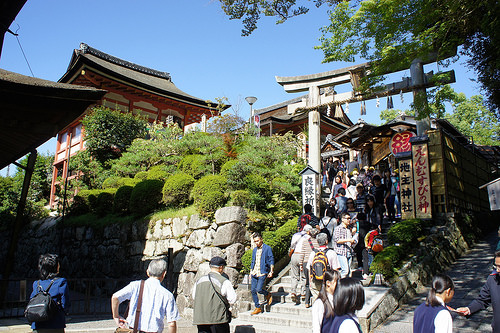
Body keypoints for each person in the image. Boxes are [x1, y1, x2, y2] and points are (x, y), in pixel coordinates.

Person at [111, 259, 179, 333]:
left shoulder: (135, 285)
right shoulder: (167, 295)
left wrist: (116, 316)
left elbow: (115, 297)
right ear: (164, 274)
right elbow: (171, 323)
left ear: (147, 272)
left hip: (133, 330)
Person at [457, 250, 500, 332]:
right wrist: (468, 309)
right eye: (496, 266)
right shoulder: (493, 280)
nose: (497, 270)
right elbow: (483, 300)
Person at [192, 257, 236, 333]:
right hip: (218, 319)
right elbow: (232, 299)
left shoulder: (199, 281)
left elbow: (194, 296)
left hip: (201, 319)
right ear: (221, 267)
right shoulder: (224, 281)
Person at [29, 254, 69, 333]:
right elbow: (65, 303)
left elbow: (32, 299)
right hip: (55, 323)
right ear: (54, 267)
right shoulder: (61, 282)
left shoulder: (36, 284)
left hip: (38, 324)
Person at [306, 233, 341, 306]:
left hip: (315, 281)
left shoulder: (313, 253)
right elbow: (335, 270)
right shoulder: (331, 253)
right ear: (326, 241)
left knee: (317, 301)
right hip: (328, 281)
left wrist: (310, 282)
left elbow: (309, 269)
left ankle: (318, 314)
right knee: (328, 302)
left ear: (317, 242)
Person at [250, 232, 274, 315]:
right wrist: (251, 271)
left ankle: (268, 294)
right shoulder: (255, 250)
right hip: (254, 272)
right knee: (253, 290)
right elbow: (253, 260)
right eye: (255, 241)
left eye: (258, 241)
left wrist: (271, 271)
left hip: (262, 271)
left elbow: (271, 259)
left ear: (261, 240)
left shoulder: (267, 248)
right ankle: (258, 307)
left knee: (259, 289)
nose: (257, 243)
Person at [289, 225, 313, 304]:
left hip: (294, 255)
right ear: (309, 231)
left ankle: (293, 291)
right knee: (303, 276)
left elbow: (292, 246)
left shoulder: (296, 235)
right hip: (303, 256)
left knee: (294, 275)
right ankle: (303, 293)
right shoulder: (309, 237)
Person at [333, 213, 356, 278]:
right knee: (345, 271)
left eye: (349, 218)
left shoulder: (348, 229)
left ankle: (346, 286)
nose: (349, 220)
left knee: (349, 272)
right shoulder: (338, 228)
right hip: (341, 252)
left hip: (348, 251)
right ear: (342, 219)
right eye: (347, 218)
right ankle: (339, 284)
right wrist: (348, 240)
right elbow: (337, 240)